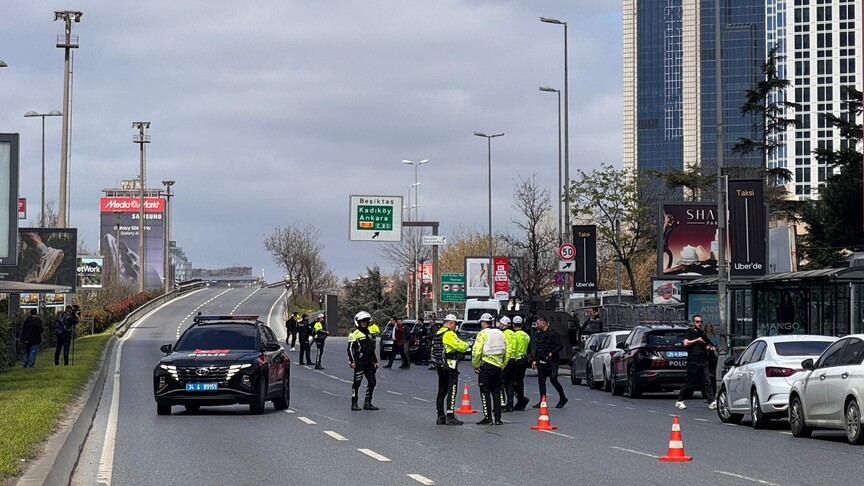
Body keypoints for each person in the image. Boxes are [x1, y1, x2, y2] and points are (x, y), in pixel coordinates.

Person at [432, 314, 469, 425]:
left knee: (441, 391)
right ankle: (450, 416)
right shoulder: (449, 334)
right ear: (451, 323)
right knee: (452, 390)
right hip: (450, 366)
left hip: (439, 365)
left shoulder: (438, 334)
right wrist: (466, 345)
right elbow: (461, 346)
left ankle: (440, 415)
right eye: (455, 324)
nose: (455, 326)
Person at [472, 313, 509, 425]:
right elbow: (508, 350)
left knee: (485, 393)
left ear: (483, 323)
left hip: (486, 367)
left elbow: (476, 350)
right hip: (498, 367)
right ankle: (498, 419)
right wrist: (502, 365)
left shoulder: (482, 334)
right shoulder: (500, 333)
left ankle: (488, 418)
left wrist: (475, 364)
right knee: (496, 393)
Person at [675, 314, 718, 410]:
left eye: (701, 322)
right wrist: (697, 340)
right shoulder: (689, 332)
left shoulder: (702, 333)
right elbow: (685, 343)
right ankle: (680, 400)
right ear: (693, 323)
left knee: (707, 382)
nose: (699, 324)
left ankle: (711, 402)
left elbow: (709, 344)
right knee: (689, 383)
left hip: (703, 362)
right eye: (697, 322)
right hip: (693, 361)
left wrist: (711, 348)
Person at [531, 316, 567, 409]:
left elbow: (560, 346)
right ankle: (542, 401)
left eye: (538, 324)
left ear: (543, 324)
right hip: (541, 360)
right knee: (541, 381)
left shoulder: (553, 334)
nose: (536, 326)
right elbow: (538, 348)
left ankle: (563, 398)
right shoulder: (539, 335)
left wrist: (552, 352)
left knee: (553, 379)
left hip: (552, 361)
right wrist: (535, 360)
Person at [348, 311, 379, 411]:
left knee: (372, 382)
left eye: (366, 321)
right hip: (359, 362)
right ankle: (354, 403)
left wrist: (375, 361)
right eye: (362, 321)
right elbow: (349, 349)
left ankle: (368, 402)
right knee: (357, 383)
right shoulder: (354, 334)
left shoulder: (369, 334)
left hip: (369, 362)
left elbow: (371, 349)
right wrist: (352, 362)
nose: (365, 323)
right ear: (358, 322)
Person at [510, 316, 531, 411]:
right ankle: (521, 401)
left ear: (513, 325)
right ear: (522, 325)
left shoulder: (514, 336)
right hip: (524, 360)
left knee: (510, 382)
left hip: (516, 360)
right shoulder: (526, 336)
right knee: (520, 381)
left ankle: (520, 399)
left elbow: (513, 348)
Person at [498, 316, 516, 412]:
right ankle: (510, 404)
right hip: (514, 360)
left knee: (500, 383)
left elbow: (502, 347)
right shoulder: (513, 334)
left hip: (506, 360)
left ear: (503, 324)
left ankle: (502, 404)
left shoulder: (503, 334)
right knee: (510, 383)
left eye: (500, 323)